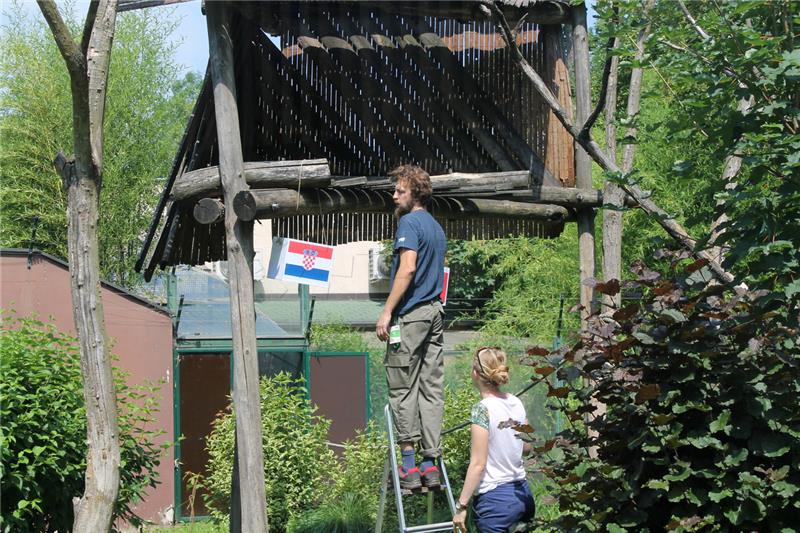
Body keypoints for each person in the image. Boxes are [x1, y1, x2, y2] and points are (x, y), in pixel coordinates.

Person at [376, 164, 447, 490]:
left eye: (400, 191)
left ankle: (408, 468)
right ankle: (430, 463)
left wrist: (387, 312)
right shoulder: (435, 227)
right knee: (431, 389)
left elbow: (407, 269)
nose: (394, 196)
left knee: (402, 387)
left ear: (415, 193)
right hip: (435, 314)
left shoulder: (409, 223)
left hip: (412, 316)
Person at [452, 347, 535, 533]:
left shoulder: (482, 409)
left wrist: (461, 507)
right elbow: (527, 447)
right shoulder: (516, 401)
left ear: (475, 373)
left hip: (496, 504)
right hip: (523, 494)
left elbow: (478, 464)